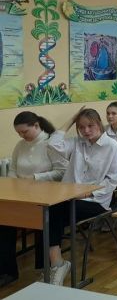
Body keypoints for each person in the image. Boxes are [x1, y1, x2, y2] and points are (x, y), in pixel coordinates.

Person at [45, 107, 117, 285]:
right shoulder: (77, 143)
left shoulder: (113, 148)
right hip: (69, 198)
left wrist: (86, 193)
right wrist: (72, 118)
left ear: (99, 124)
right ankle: (55, 264)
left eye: (90, 126)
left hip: (95, 201)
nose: (86, 131)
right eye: (81, 127)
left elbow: (111, 182)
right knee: (45, 212)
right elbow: (52, 144)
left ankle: (57, 266)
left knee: (52, 213)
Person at [0, 112, 66, 286]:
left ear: (36, 126)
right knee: (3, 221)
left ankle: (46, 268)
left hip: (47, 197)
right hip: (21, 196)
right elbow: (12, 170)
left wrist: (36, 178)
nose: (22, 136)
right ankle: (7, 271)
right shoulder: (20, 146)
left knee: (43, 222)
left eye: (25, 132)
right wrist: (12, 187)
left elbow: (61, 172)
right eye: (18, 133)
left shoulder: (50, 143)